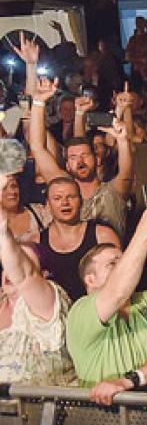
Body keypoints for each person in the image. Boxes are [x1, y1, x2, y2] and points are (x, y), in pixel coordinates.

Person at [67, 205, 147, 401]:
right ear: (90, 280)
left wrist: (128, 381)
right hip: (104, 418)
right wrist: (145, 231)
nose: (124, 267)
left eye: (125, 261)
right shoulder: (80, 310)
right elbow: (117, 292)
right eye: (113, 264)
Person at [29, 77, 133, 238]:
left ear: (97, 159)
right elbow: (37, 147)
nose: (80, 161)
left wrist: (122, 140)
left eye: (84, 155)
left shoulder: (113, 191)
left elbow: (126, 173)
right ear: (68, 165)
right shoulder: (63, 188)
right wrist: (38, 102)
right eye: (73, 157)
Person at [0, 174, 74, 386]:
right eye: (7, 264)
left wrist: (3, 229)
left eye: (25, 262)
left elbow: (25, 275)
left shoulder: (49, 300)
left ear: (43, 275)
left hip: (40, 412)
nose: (10, 271)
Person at [37, 177, 120, 300]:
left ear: (81, 201)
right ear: (47, 205)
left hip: (98, 310)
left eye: (71, 197)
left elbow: (122, 275)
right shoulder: (37, 242)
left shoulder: (103, 235)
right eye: (57, 198)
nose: (65, 202)